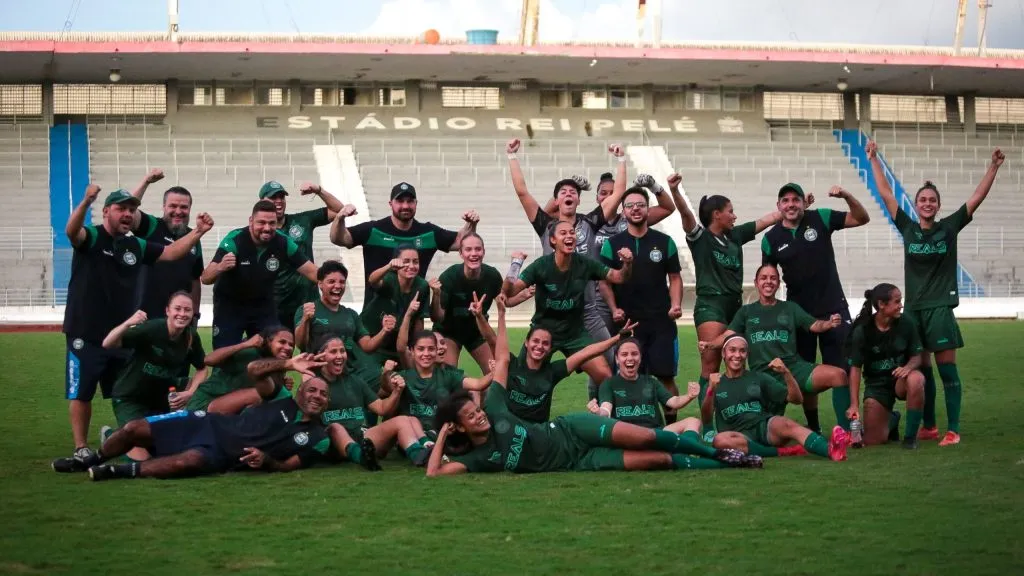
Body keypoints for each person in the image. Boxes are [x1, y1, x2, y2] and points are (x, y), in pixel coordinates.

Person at [423, 301, 761, 477]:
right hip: (577, 463)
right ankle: (731, 464)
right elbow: (434, 473)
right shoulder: (478, 459)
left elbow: (500, 354)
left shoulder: (495, 406)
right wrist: (443, 433)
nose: (479, 414)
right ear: (460, 427)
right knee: (655, 460)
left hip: (571, 430)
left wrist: (498, 313)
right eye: (470, 415)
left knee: (647, 437)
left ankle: (719, 453)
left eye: (475, 409)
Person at [60, 184, 213, 468]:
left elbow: (170, 253)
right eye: (121, 209)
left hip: (122, 334)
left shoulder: (135, 244)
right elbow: (72, 232)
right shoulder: (92, 236)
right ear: (106, 212)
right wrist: (85, 201)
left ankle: (118, 436)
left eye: (131, 209)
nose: (127, 214)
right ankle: (81, 447)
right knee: (83, 391)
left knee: (126, 390)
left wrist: (198, 232)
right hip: (86, 330)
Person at [867, 141, 1004, 446]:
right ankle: (928, 425)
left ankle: (953, 429)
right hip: (913, 310)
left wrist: (993, 167)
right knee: (922, 369)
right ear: (916, 205)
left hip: (940, 308)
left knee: (947, 371)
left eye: (932, 200)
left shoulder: (949, 227)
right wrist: (873, 159)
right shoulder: (908, 229)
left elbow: (976, 198)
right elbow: (887, 195)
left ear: (938, 206)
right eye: (922, 199)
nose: (927, 203)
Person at [53, 355, 331, 481]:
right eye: (312, 389)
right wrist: (288, 363)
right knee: (133, 428)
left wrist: (267, 460)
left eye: (323, 394)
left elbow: (288, 467)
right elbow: (254, 369)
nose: (317, 396)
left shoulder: (318, 438)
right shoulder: (280, 397)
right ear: (300, 392)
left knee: (191, 461)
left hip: (223, 454)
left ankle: (117, 472)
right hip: (206, 424)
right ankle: (92, 460)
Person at [507, 139, 632, 399]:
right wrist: (511, 156)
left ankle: (600, 411)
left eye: (573, 191)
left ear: (577, 199)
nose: (568, 194)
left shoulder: (589, 222)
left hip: (585, 313)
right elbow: (521, 192)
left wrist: (621, 159)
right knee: (524, 372)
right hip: (548, 317)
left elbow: (618, 192)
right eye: (562, 191)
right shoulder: (545, 225)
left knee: (609, 365)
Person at [761, 182, 870, 432]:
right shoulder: (770, 239)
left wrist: (846, 195)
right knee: (806, 373)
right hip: (799, 316)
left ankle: (848, 426)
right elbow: (769, 276)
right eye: (785, 200)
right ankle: (815, 427)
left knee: (841, 369)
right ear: (778, 206)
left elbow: (861, 218)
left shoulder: (820, 217)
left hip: (834, 308)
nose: (791, 204)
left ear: (803, 203)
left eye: (795, 199)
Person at [666, 172, 782, 407]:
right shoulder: (701, 238)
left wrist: (794, 209)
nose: (734, 215)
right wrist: (675, 191)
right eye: (730, 211)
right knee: (711, 366)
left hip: (736, 307)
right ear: (716, 214)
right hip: (711, 307)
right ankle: (708, 426)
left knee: (740, 364)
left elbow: (767, 219)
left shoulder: (735, 235)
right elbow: (686, 215)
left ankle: (739, 413)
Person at [699, 264, 849, 428]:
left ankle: (846, 433)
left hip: (792, 368)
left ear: (778, 283)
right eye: (763, 278)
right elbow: (728, 335)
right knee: (765, 429)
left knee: (839, 375)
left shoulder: (789, 307)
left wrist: (829, 323)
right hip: (762, 377)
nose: (768, 282)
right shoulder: (746, 312)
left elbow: (814, 325)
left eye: (773, 278)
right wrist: (710, 345)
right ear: (756, 282)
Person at [503, 221, 634, 402]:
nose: (570, 236)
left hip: (575, 334)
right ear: (553, 241)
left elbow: (618, 277)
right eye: (563, 233)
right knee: (523, 380)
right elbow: (509, 292)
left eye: (572, 232)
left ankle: (606, 421)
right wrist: (515, 265)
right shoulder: (541, 265)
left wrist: (627, 264)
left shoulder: (585, 263)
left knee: (605, 377)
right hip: (543, 333)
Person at [545, 171, 676, 335]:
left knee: (632, 346)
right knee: (605, 347)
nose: (608, 196)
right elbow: (548, 214)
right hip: (599, 297)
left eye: (612, 193)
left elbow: (667, 208)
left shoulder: (631, 219)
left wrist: (653, 185)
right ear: (596, 198)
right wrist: (571, 184)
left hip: (629, 292)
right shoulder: (586, 223)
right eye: (603, 193)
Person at [473, 293, 631, 423]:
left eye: (545, 343)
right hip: (510, 430)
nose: (539, 346)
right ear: (526, 343)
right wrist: (480, 316)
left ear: (550, 348)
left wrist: (617, 338)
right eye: (535, 341)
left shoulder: (553, 371)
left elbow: (586, 352)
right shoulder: (510, 364)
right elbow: (492, 339)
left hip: (538, 434)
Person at [599, 185, 684, 421]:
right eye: (630, 206)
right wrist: (614, 309)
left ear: (648, 209)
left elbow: (675, 277)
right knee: (627, 377)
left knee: (665, 376)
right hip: (628, 323)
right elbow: (604, 282)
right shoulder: (612, 244)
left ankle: (669, 429)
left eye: (640, 205)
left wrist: (675, 304)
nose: (635, 209)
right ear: (623, 211)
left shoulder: (665, 242)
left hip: (661, 321)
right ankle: (630, 427)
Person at [95, 292, 207, 461]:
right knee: (142, 458)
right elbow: (108, 343)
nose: (182, 314)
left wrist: (190, 392)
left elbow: (202, 368)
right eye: (177, 309)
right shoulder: (152, 329)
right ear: (167, 311)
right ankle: (111, 434)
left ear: (193, 314)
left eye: (187, 310)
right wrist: (128, 323)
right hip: (130, 397)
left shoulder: (191, 336)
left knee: (167, 450)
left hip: (159, 399)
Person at [702, 335, 849, 461]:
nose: (737, 355)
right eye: (732, 350)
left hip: (763, 427)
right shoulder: (715, 382)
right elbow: (707, 418)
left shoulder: (758, 377)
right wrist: (711, 390)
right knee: (720, 440)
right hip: (737, 436)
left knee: (786, 423)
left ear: (747, 354)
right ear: (723, 353)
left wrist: (786, 373)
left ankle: (830, 449)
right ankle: (781, 452)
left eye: (742, 351)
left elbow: (797, 399)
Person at [201, 200, 318, 349]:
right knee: (225, 354)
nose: (267, 228)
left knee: (273, 350)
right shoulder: (234, 240)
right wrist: (221, 267)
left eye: (272, 223)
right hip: (230, 306)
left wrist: (333, 280)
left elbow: (312, 272)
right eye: (261, 222)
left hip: (263, 306)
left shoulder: (283, 242)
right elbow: (205, 278)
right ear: (251, 221)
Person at [329, 181, 477, 298]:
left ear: (416, 203)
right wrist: (339, 218)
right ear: (390, 204)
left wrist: (471, 223)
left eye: (410, 201)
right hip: (375, 314)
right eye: (400, 201)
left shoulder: (429, 232)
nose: (405, 206)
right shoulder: (373, 229)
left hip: (413, 310)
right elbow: (339, 239)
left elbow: (461, 242)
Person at [311, 335, 435, 470]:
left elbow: (381, 408)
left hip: (363, 439)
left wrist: (397, 392)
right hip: (335, 444)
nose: (340, 356)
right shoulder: (313, 383)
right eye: (333, 352)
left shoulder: (354, 381)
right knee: (335, 427)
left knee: (403, 420)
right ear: (321, 356)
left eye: (342, 351)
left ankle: (420, 455)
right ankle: (361, 457)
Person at [846, 282, 926, 449]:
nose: (901, 306)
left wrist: (908, 368)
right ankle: (892, 420)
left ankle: (910, 438)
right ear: (882, 305)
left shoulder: (906, 323)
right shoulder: (863, 330)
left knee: (917, 379)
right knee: (873, 440)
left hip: (900, 380)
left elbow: (917, 357)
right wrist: (854, 404)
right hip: (876, 386)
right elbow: (855, 369)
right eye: (897, 302)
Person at [257, 180, 347, 328]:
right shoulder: (259, 232)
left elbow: (339, 210)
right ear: (262, 202)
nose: (279, 201)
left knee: (315, 349)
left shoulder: (302, 220)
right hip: (276, 304)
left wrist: (318, 190)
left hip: (308, 302)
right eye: (273, 198)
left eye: (282, 197)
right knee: (279, 350)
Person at [294, 260, 393, 385]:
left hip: (350, 374)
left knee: (392, 384)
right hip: (319, 375)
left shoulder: (351, 314)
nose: (337, 286)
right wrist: (305, 319)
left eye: (342, 282)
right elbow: (300, 344)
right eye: (331, 281)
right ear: (320, 284)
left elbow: (368, 347)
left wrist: (384, 330)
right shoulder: (307, 310)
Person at [384, 330, 494, 439]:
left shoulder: (449, 375)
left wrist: (494, 371)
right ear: (412, 351)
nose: (426, 354)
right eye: (421, 349)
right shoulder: (404, 376)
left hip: (440, 432)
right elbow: (383, 390)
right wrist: (387, 374)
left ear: (436, 351)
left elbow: (478, 384)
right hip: (411, 433)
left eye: (431, 349)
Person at [128, 170, 204, 320]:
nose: (178, 211)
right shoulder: (151, 226)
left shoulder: (193, 237)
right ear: (164, 207)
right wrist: (146, 182)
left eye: (184, 207)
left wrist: (194, 313)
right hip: (144, 316)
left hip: (178, 319)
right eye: (173, 206)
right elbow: (129, 211)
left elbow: (195, 279)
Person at [591, 338, 702, 434]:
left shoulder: (651, 382)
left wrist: (689, 396)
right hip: (626, 434)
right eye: (624, 354)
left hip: (655, 433)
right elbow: (606, 410)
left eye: (634, 354)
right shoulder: (609, 384)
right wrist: (598, 412)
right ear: (617, 359)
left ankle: (692, 454)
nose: (630, 358)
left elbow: (674, 402)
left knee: (693, 422)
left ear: (640, 358)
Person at [434, 233, 504, 371]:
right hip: (449, 332)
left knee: (496, 371)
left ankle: (480, 392)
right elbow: (437, 317)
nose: (474, 253)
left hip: (477, 331)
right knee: (448, 375)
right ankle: (472, 390)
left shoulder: (492, 275)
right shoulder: (449, 276)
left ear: (484, 251)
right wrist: (436, 295)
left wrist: (523, 295)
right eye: (468, 249)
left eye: (478, 249)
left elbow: (506, 300)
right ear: (460, 253)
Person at [185, 326, 296, 413]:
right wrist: (245, 344)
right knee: (259, 395)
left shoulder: (277, 365)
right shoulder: (249, 353)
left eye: (291, 345)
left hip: (228, 410)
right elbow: (208, 360)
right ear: (268, 341)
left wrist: (281, 385)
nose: (287, 348)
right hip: (203, 405)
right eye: (282, 342)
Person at [360, 244, 434, 373]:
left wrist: (421, 343)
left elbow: (421, 319)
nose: (411, 266)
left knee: (407, 379)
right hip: (373, 338)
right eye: (406, 262)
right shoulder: (390, 279)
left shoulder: (422, 286)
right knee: (374, 378)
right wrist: (389, 266)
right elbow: (372, 280)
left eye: (415, 262)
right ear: (398, 264)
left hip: (398, 344)